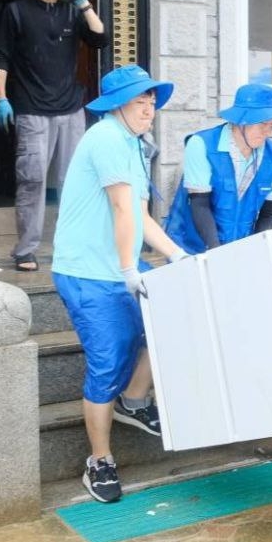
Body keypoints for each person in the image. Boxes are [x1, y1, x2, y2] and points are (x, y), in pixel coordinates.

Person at [51, 64, 189, 504]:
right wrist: (132, 271)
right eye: (139, 101)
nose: (149, 108)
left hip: (118, 266)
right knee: (108, 362)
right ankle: (100, 460)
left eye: (152, 100)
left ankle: (132, 402)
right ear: (116, 106)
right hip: (87, 272)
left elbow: (142, 216)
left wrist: (175, 255)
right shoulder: (108, 139)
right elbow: (121, 210)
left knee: (164, 322)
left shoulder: (133, 145)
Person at [0, 0, 109, 272]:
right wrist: (0, 97)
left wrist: (83, 3)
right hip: (32, 110)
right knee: (32, 180)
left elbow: (101, 39)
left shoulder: (73, 12)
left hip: (71, 109)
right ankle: (26, 249)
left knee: (74, 181)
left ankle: (69, 246)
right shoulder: (16, 12)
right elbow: (1, 56)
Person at [164, 83, 272, 253]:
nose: (268, 133)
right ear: (241, 120)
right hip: (194, 246)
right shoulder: (201, 144)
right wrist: (217, 254)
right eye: (263, 124)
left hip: (240, 246)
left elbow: (268, 214)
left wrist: (261, 250)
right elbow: (199, 205)